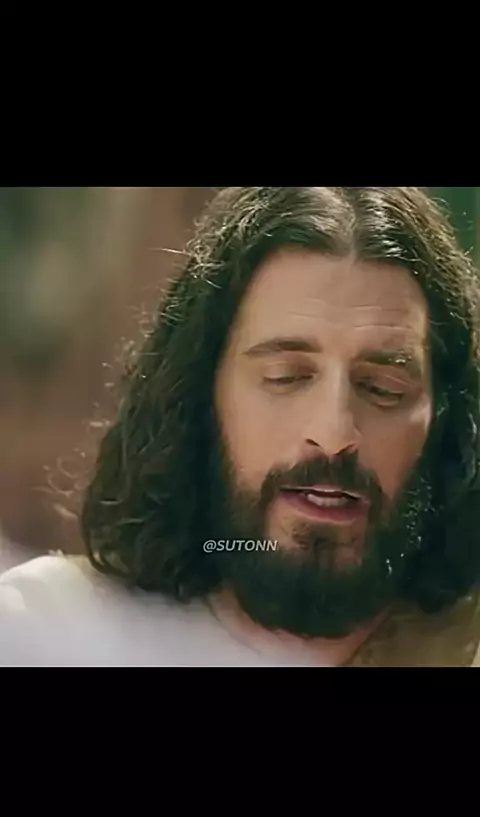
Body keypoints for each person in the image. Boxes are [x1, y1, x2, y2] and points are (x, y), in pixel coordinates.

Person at [1, 186, 480, 667]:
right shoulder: (42, 633)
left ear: (446, 421)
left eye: (382, 389)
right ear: (199, 395)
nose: (334, 434)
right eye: (285, 377)